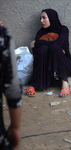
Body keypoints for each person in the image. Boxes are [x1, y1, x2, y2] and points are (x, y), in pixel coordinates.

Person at [27, 9, 71, 97]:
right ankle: (35, 83)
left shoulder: (63, 30)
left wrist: (37, 43)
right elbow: (36, 52)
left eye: (44, 18)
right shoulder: (40, 32)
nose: (41, 21)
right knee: (43, 49)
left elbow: (59, 44)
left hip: (63, 63)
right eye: (40, 18)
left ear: (52, 18)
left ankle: (65, 82)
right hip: (46, 66)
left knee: (55, 48)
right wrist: (42, 46)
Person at [0, 22, 22, 150]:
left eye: (44, 18)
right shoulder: (2, 37)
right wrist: (15, 127)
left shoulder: (62, 31)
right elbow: (13, 90)